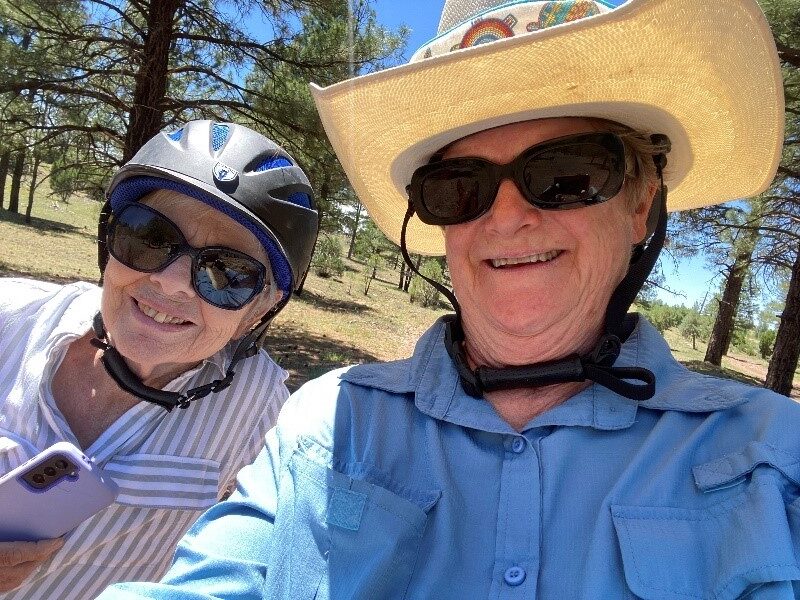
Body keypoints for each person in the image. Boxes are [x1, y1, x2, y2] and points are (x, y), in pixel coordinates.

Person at [100, 0, 799, 598]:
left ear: (642, 205)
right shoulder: (327, 421)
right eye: (460, 187)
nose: (505, 217)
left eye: (565, 174)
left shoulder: (772, 460)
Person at [0, 120, 318, 598]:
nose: (172, 282)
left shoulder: (264, 409)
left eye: (228, 272)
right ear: (109, 240)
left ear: (261, 309)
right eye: (149, 237)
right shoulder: (9, 318)